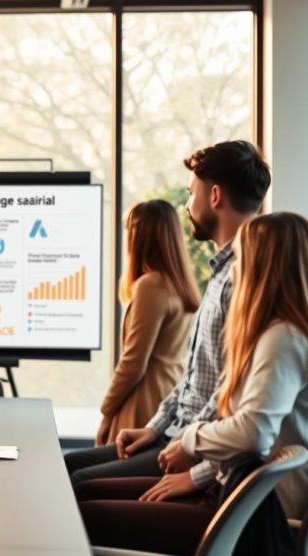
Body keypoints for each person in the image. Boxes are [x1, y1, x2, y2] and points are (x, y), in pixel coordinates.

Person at [75, 212, 308, 556]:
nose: (234, 270)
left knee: (83, 515)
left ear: (262, 268)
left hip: (254, 515)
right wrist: (199, 475)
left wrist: (190, 440)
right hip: (244, 496)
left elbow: (254, 434)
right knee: (83, 495)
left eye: (240, 259)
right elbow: (262, 444)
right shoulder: (294, 335)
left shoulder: (283, 340)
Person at [65, 140, 271, 486]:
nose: (187, 205)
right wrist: (153, 427)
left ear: (215, 196)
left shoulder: (242, 278)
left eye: (191, 193)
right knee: (70, 464)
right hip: (174, 433)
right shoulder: (220, 272)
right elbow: (193, 376)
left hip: (192, 447)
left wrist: (186, 445)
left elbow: (231, 387)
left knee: (79, 480)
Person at [95, 200, 199, 446]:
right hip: (169, 393)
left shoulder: (150, 286)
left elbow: (133, 363)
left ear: (139, 236)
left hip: (143, 402)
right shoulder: (179, 284)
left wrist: (106, 412)